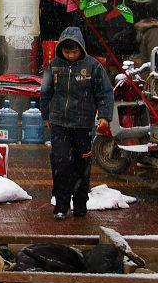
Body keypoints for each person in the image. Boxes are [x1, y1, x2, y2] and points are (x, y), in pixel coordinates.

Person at [40, 26, 114, 220]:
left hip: (83, 124)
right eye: (67, 51)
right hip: (59, 123)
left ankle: (80, 202)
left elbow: (105, 93)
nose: (71, 55)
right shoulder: (54, 66)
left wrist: (104, 115)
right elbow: (46, 92)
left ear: (81, 48)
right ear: (61, 50)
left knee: (82, 165)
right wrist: (46, 116)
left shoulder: (93, 67)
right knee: (61, 161)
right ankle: (61, 203)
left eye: (74, 51)